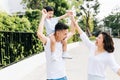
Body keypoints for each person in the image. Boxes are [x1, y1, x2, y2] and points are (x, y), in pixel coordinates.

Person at [71, 15, 120, 80]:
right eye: (97, 37)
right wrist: (75, 24)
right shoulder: (93, 47)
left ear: (104, 42)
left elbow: (116, 68)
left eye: (99, 38)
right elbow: (84, 37)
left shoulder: (108, 55)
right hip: (89, 77)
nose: (96, 39)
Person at [37, 9, 75, 80]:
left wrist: (72, 17)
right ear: (57, 33)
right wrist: (43, 17)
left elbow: (72, 31)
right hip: (52, 78)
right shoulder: (48, 41)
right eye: (65, 34)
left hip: (63, 76)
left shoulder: (63, 41)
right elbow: (39, 34)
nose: (66, 35)